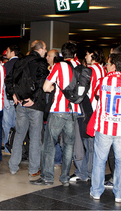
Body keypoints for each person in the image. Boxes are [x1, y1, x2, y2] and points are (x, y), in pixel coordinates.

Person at [32, 41, 81, 186]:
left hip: (58, 110)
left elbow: (46, 87)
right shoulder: (80, 68)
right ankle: (65, 177)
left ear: (62, 55)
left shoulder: (58, 66)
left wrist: (55, 87)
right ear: (75, 54)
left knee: (49, 144)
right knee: (68, 144)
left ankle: (47, 177)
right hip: (73, 111)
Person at [90, 53, 121, 203]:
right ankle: (120, 194)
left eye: (108, 64)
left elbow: (97, 94)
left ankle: (96, 191)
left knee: (99, 160)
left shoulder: (103, 81)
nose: (106, 66)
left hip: (104, 126)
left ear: (114, 65)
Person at [6, 40, 48, 176]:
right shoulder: (41, 62)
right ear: (40, 49)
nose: (46, 51)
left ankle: (13, 166)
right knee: (35, 137)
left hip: (20, 103)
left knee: (19, 134)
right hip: (35, 105)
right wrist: (34, 98)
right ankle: (33, 169)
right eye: (45, 49)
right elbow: (41, 82)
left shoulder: (20, 61)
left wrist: (13, 94)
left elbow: (9, 79)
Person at [69, 46, 106, 183]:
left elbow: (85, 90)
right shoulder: (103, 69)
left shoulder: (90, 70)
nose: (86, 57)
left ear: (93, 55)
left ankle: (85, 172)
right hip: (98, 110)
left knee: (86, 143)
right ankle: (89, 171)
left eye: (87, 54)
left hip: (88, 109)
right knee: (92, 144)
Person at [2, 45, 20, 154]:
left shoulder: (7, 65)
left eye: (7, 51)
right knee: (16, 123)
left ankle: (8, 147)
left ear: (13, 52)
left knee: (7, 124)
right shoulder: (22, 63)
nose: (6, 53)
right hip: (20, 98)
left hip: (8, 98)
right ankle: (16, 147)